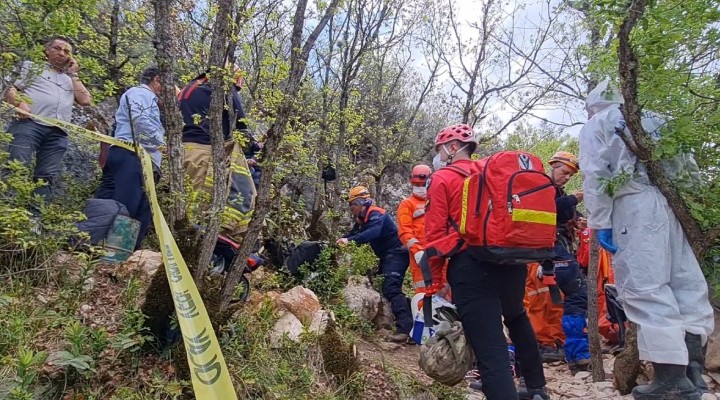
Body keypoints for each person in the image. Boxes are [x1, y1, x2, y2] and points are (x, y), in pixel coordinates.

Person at [579, 79, 714, 399]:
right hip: (670, 205)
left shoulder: (599, 124)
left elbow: (596, 175)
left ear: (593, 106)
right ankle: (695, 374)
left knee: (645, 288)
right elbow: (688, 171)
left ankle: (671, 381)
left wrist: (599, 222)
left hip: (633, 206)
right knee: (685, 285)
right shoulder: (657, 118)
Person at [424, 123, 547, 400]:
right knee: (516, 317)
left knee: (490, 349)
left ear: (453, 147)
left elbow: (434, 234)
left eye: (441, 149)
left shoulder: (442, 178)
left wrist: (436, 281)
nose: (440, 155)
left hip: (471, 267)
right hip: (510, 262)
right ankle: (536, 387)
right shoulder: (491, 172)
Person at [3, 36, 91, 200]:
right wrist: (20, 103)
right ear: (47, 51)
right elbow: (11, 89)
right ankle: (8, 211)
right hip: (29, 124)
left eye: (66, 51)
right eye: (57, 48)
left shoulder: (70, 80)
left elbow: (86, 100)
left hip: (58, 133)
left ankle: (35, 220)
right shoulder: (32, 67)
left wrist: (74, 73)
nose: (61, 53)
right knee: (16, 167)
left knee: (46, 176)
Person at [178, 65, 256, 238]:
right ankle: (203, 244)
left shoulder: (188, 88)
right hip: (205, 153)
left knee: (185, 200)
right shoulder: (222, 87)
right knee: (204, 203)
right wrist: (253, 147)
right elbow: (241, 124)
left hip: (182, 151)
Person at [95, 66, 165, 250]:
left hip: (134, 155)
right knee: (128, 204)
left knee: (130, 204)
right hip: (132, 154)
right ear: (157, 80)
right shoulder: (142, 94)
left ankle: (100, 245)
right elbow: (139, 122)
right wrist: (162, 144)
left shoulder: (148, 98)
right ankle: (112, 252)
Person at [336, 186, 413, 343]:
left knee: (391, 288)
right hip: (388, 256)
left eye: (352, 206)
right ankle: (411, 320)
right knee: (386, 287)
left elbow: (372, 233)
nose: (351, 210)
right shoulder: (363, 219)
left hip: (397, 253)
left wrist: (349, 241)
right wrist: (342, 240)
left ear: (360, 204)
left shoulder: (377, 214)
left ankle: (405, 330)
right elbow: (354, 234)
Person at [545, 151, 591, 374]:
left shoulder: (558, 192)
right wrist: (574, 198)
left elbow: (564, 213)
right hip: (552, 249)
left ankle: (575, 352)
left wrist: (578, 221)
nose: (566, 177)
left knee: (573, 297)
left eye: (570, 175)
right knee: (578, 295)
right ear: (553, 166)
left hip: (557, 249)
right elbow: (548, 209)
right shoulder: (542, 187)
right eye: (564, 172)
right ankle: (579, 354)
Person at [396, 164, 438, 294]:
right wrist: (417, 251)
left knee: (447, 293)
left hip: (439, 255)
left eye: (423, 185)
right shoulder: (407, 205)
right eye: (417, 185)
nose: (420, 188)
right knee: (424, 293)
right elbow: (405, 231)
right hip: (420, 258)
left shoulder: (437, 202)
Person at [524, 262, 565, 362]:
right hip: (529, 261)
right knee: (535, 305)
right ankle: (548, 343)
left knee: (550, 304)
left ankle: (555, 342)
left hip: (538, 261)